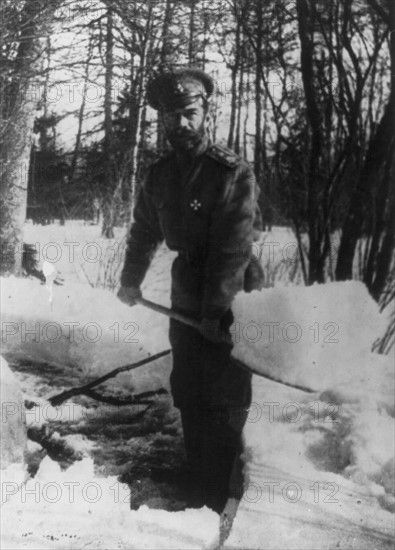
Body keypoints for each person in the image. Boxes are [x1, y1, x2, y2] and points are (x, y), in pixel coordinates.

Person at [117, 68, 264, 513]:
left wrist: (215, 312)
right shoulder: (159, 175)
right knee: (189, 384)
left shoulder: (232, 172)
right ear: (162, 122)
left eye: (190, 113)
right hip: (186, 289)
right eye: (171, 116)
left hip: (234, 291)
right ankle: (197, 473)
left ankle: (221, 488)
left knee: (223, 390)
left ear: (205, 114)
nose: (181, 123)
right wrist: (131, 279)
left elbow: (233, 247)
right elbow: (143, 231)